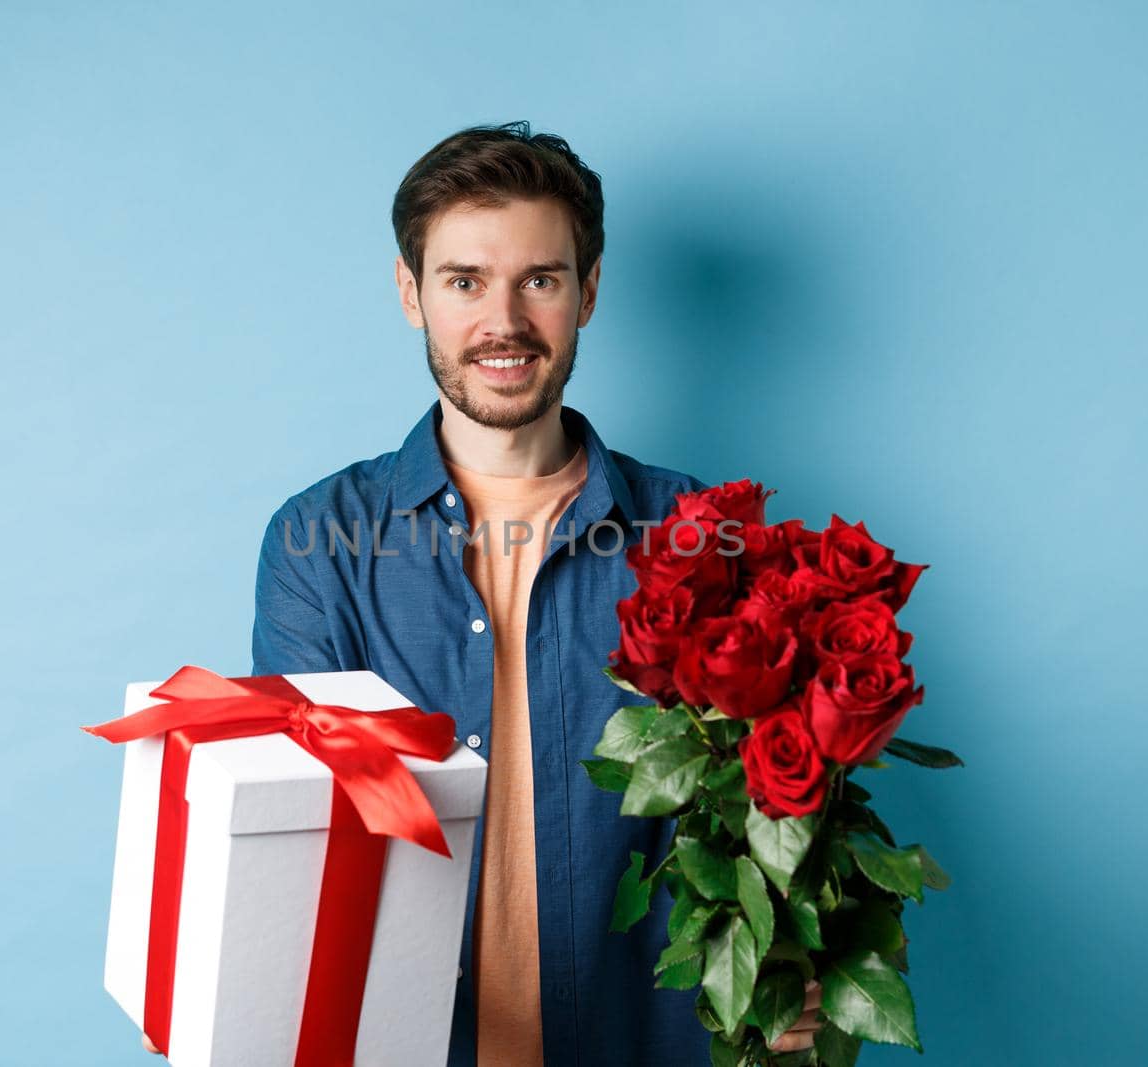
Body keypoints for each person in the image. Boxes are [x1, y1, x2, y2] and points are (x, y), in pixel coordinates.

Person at [199, 122, 822, 1065]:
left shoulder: (702, 532)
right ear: (411, 293)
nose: (505, 322)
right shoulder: (319, 542)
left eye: (540, 279)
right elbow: (303, 837)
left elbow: (777, 799)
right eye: (464, 281)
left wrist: (794, 964)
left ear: (589, 290)